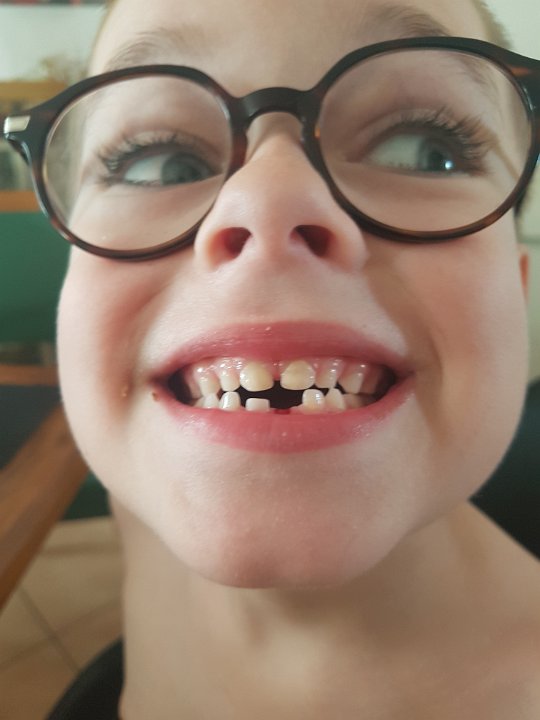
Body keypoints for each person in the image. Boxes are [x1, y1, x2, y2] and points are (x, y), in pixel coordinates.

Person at [4, 0, 540, 717]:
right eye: (158, 162)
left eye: (423, 149)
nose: (267, 200)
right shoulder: (145, 482)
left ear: (517, 291)